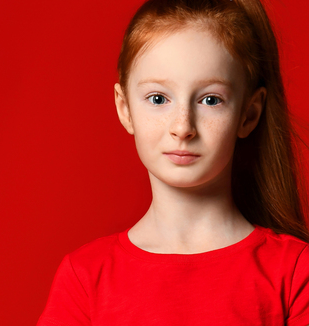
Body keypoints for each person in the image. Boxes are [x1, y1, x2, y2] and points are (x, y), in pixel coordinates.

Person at [37, 0, 309, 324]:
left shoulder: (295, 272)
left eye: (210, 100)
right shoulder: (84, 278)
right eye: (158, 99)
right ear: (125, 109)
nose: (182, 127)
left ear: (248, 115)